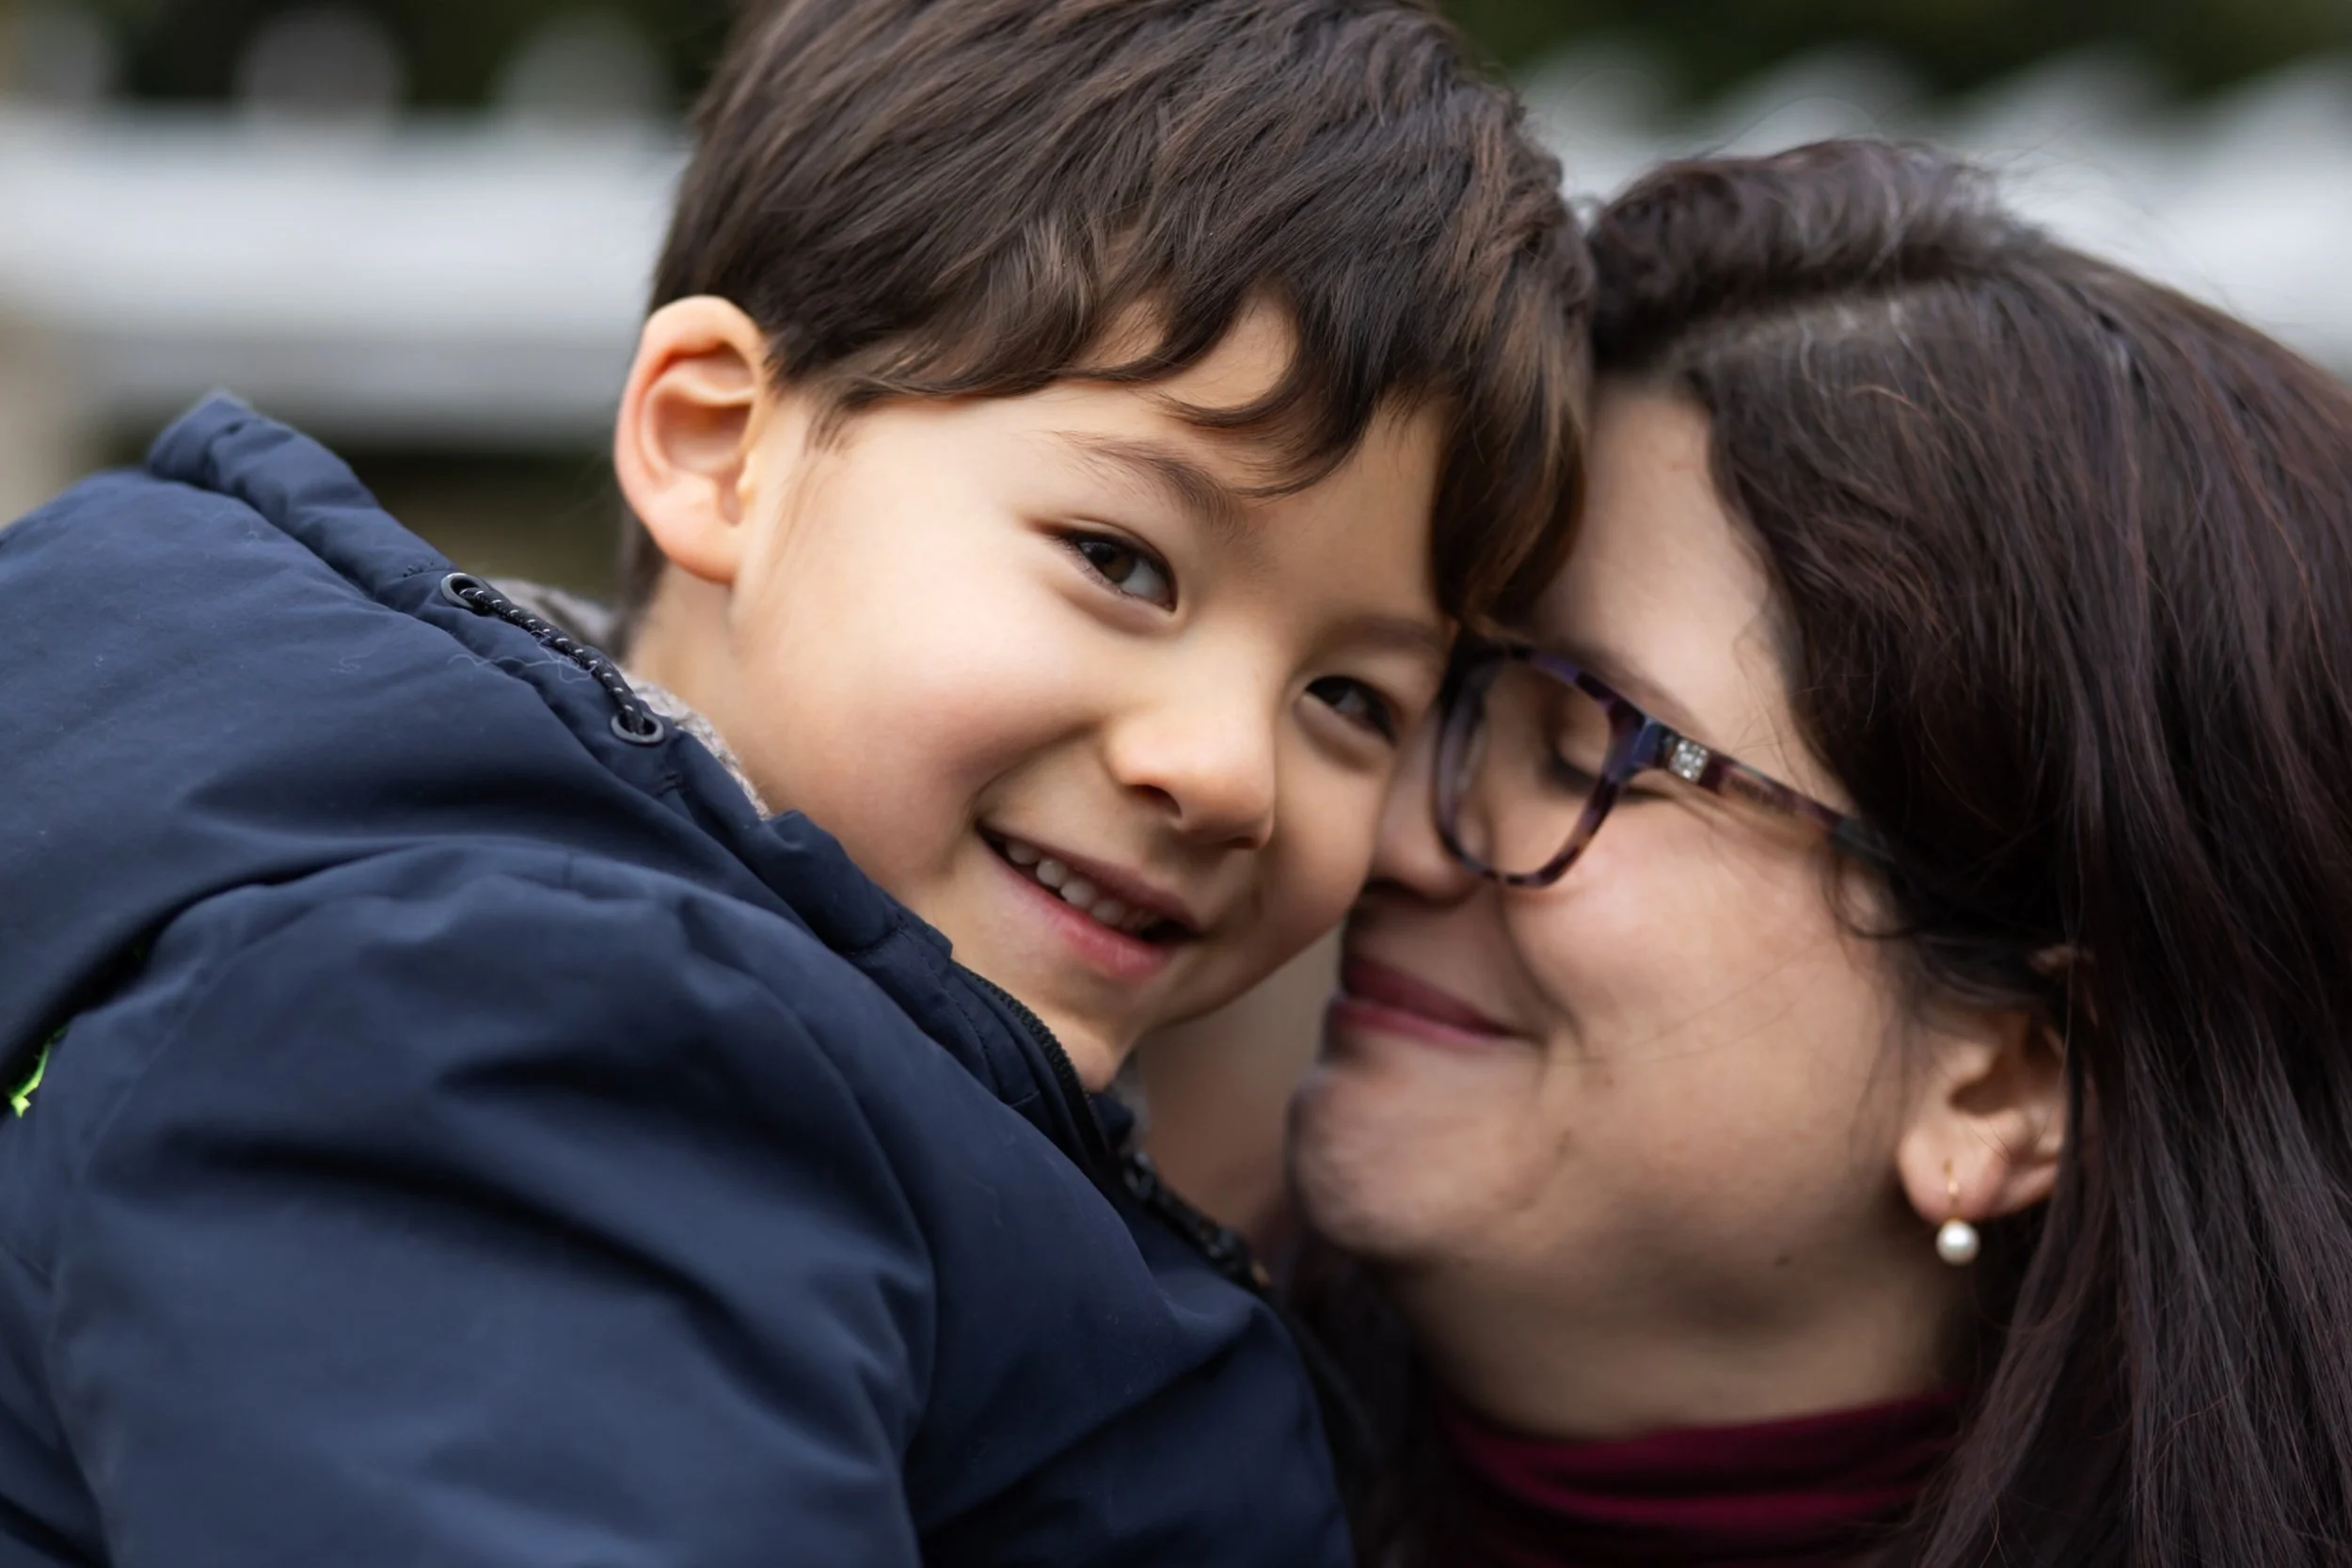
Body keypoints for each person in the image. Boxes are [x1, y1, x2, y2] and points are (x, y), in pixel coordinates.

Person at [0, 1, 1588, 1561]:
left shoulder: (779, 1043)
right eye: (1123, 561)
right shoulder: (514, 1044)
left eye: (1351, 696)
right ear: (716, 447)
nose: (1230, 771)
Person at [1282, 139, 2352, 1567]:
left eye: (1576, 746)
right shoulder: (1006, 1424)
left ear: (2005, 1081)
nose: (1389, 829)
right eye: (1423, 686)